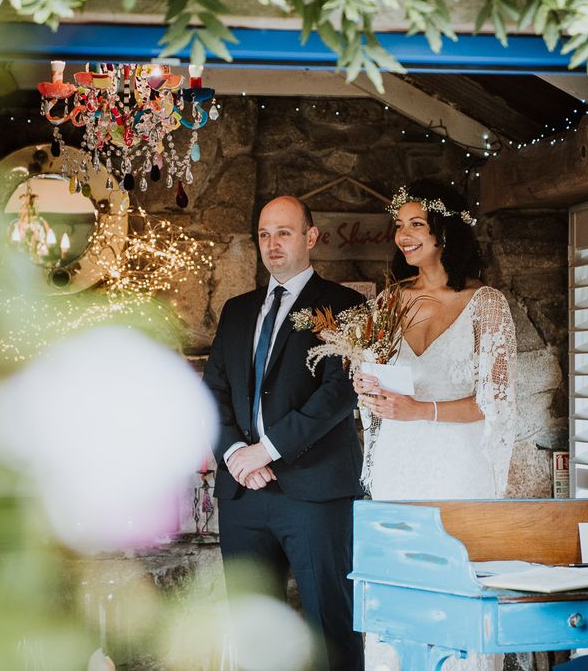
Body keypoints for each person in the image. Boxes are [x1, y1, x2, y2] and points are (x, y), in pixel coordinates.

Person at [353, 184, 518, 671]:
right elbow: (377, 389)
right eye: (399, 225)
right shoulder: (387, 303)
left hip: (458, 470)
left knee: (456, 594)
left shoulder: (486, 305)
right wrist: (366, 388)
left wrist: (421, 411)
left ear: (445, 231)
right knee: (398, 597)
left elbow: (497, 405)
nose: (403, 235)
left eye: (416, 224)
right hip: (397, 469)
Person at [203, 195, 365, 671]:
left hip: (314, 492)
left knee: (329, 627)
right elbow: (212, 391)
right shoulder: (236, 311)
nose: (272, 245)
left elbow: (339, 393)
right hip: (243, 494)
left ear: (311, 237)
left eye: (285, 233)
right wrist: (236, 453)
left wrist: (267, 451)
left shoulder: (345, 306)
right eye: (264, 235)